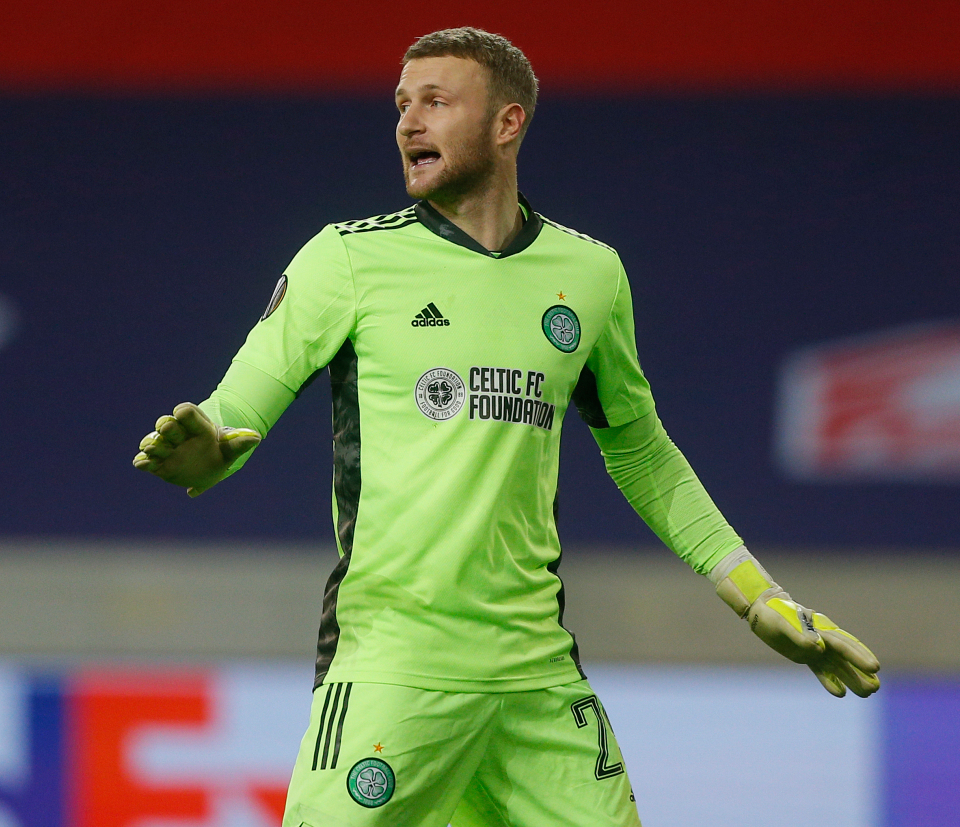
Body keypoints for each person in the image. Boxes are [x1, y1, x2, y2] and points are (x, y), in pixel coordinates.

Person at [134, 26, 880, 827]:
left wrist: (757, 596)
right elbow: (235, 410)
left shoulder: (589, 275)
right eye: (401, 104)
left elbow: (641, 452)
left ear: (507, 122)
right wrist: (207, 453)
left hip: (537, 682)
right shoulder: (345, 260)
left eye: (435, 101)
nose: (408, 122)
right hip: (393, 673)